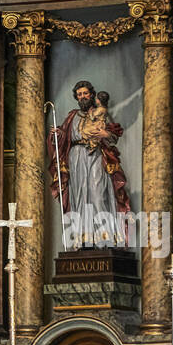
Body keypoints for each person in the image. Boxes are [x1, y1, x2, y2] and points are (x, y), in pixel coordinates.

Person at [48, 80, 131, 247]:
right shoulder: (72, 116)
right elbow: (65, 138)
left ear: (92, 95)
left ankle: (104, 238)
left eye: (85, 93)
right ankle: (84, 239)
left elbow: (113, 137)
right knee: (79, 196)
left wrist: (104, 133)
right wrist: (58, 134)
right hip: (76, 158)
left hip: (95, 157)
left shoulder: (100, 113)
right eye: (79, 94)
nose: (83, 97)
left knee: (97, 192)